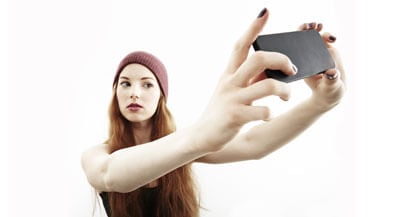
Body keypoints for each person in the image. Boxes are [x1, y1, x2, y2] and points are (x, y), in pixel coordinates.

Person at [81, 7, 346, 217]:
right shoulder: (98, 155)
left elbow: (253, 144)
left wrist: (321, 104)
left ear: (162, 96)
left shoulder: (180, 145)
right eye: (125, 84)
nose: (134, 93)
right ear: (115, 93)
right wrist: (200, 135)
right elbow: (109, 174)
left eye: (147, 84)